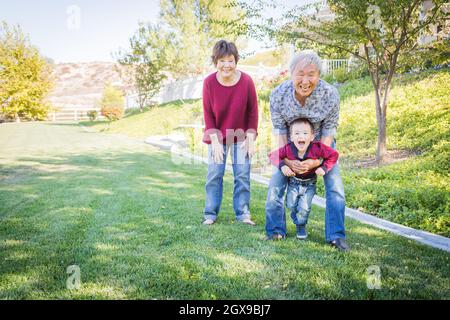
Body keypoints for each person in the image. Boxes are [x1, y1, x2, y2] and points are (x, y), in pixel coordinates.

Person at [265, 49, 349, 251]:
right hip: (290, 145)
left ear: (318, 75)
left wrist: (319, 160)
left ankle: (336, 236)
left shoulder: (330, 94)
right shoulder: (278, 95)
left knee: (335, 186)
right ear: (291, 74)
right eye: (300, 74)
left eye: (311, 74)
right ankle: (276, 230)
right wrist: (286, 161)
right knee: (276, 185)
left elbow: (329, 128)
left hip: (322, 144)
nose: (305, 80)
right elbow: (280, 130)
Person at [202, 40, 258, 226]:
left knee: (242, 175)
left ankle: (242, 214)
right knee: (214, 174)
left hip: (241, 137)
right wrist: (215, 142)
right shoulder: (209, 83)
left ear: (236, 61)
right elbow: (208, 114)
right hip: (217, 136)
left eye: (230, 60)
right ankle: (210, 213)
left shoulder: (247, 81)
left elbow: (253, 111)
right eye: (222, 61)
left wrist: (251, 137)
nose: (226, 65)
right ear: (215, 62)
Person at [268, 118, 339, 240]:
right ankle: (297, 218)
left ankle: (301, 225)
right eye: (297, 133)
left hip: (309, 184)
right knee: (290, 205)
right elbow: (272, 155)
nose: (301, 136)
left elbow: (334, 155)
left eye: (305, 133)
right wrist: (283, 166)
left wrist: (324, 167)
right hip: (294, 183)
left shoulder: (317, 148)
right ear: (291, 137)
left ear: (312, 136)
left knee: (304, 209)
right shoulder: (288, 148)